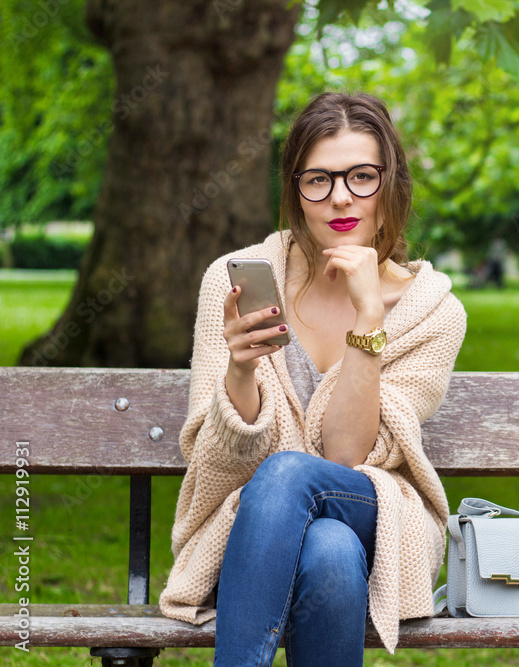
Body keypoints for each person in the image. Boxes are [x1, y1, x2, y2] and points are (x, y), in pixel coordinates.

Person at [158, 92, 467, 666]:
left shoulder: (431, 312)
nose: (341, 197)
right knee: (326, 549)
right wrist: (241, 370)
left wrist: (370, 320)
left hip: (373, 516)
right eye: (318, 179)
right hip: (253, 535)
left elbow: (346, 456)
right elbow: (219, 466)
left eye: (361, 176)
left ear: (391, 183)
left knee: (296, 476)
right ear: (295, 189)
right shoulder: (232, 284)